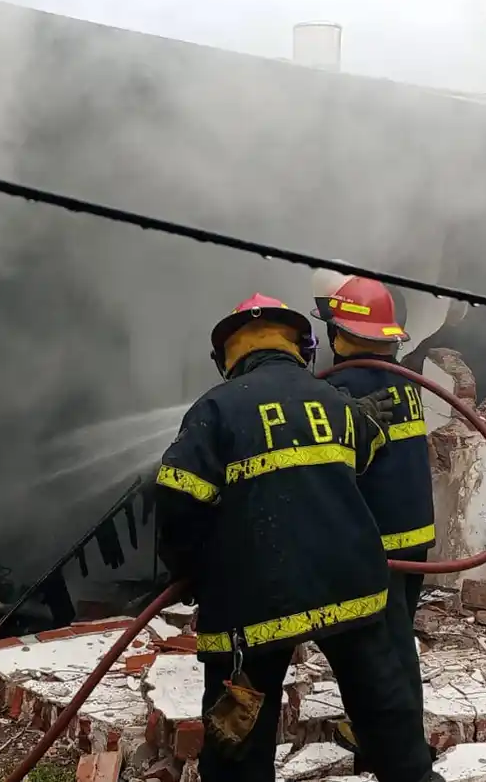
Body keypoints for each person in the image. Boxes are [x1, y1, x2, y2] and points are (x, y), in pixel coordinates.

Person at [150, 293, 432, 782]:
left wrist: (191, 572)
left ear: (227, 356)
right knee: (386, 714)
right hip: (351, 589)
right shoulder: (336, 403)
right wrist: (362, 421)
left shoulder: (214, 410)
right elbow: (357, 460)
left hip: (253, 602)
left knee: (239, 732)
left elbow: (178, 501)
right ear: (305, 347)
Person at [313, 275, 436, 719]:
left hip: (379, 544)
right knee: (398, 641)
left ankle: (394, 745)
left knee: (380, 653)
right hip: (415, 537)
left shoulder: (346, 389)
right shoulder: (403, 381)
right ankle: (395, 734)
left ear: (341, 333)